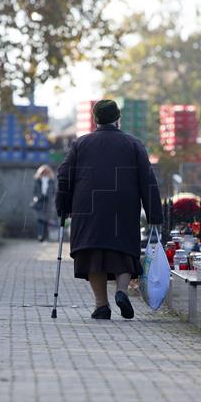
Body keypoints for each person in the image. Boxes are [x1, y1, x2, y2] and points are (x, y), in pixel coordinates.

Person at [56, 99, 163, 320]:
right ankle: (122, 292)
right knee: (122, 250)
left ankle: (101, 304)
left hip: (88, 206)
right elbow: (147, 180)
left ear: (95, 119)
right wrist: (154, 213)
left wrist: (63, 206)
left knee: (93, 252)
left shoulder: (80, 144)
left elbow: (64, 176)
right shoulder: (134, 144)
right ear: (117, 119)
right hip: (122, 205)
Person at [32, 165, 56, 242]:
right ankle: (40, 235)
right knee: (40, 219)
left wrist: (50, 197)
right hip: (40, 201)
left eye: (46, 172)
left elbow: (53, 191)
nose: (45, 173)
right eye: (43, 172)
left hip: (48, 202)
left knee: (46, 220)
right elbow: (35, 191)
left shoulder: (51, 181)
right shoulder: (37, 180)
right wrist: (39, 196)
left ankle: (44, 236)